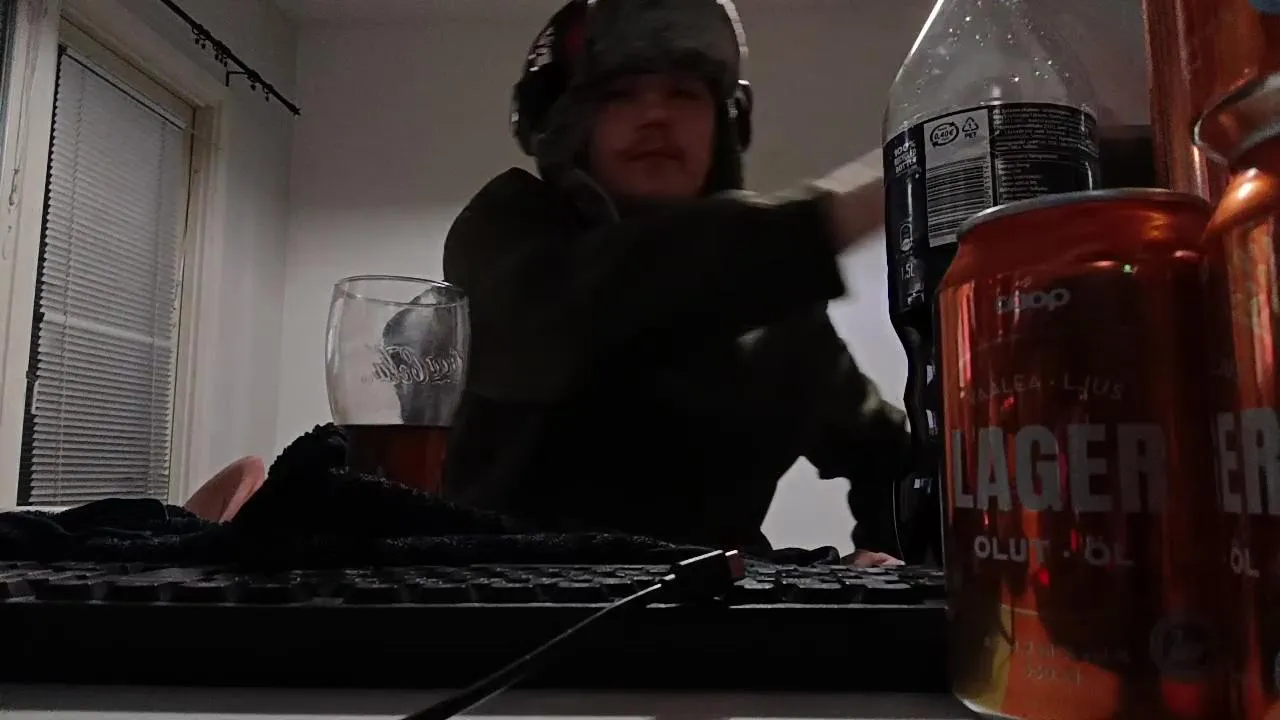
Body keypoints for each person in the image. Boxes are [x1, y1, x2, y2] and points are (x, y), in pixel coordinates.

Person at [440, 0, 911, 565]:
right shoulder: (506, 231)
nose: (656, 115)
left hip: (713, 611)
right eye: (620, 94)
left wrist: (884, 560)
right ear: (571, 122)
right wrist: (839, 214)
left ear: (723, 123)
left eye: (684, 93)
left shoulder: (780, 315)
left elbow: (891, 455)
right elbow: (569, 311)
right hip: (506, 602)